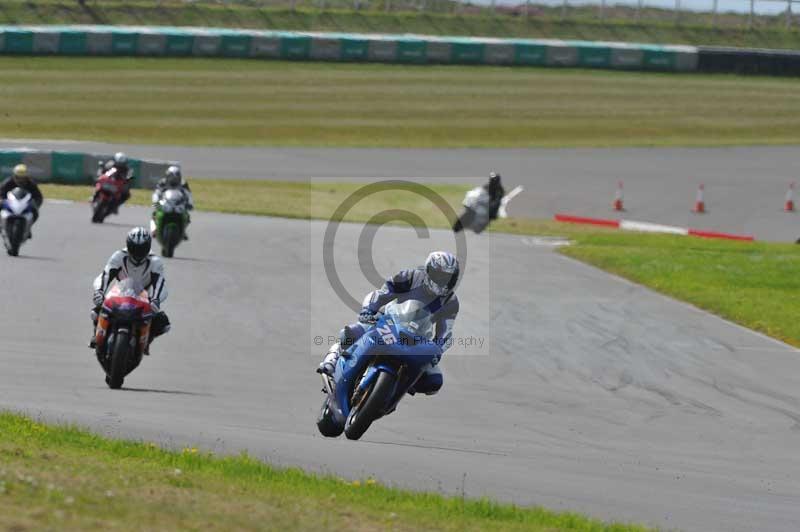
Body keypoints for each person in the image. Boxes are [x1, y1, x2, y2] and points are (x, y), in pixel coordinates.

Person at [318, 251, 460, 396]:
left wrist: (438, 350)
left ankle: (398, 388)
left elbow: (446, 330)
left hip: (417, 339)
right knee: (351, 333)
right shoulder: (410, 277)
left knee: (434, 381)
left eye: (448, 278)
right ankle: (333, 359)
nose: (444, 281)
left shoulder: (451, 302)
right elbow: (383, 292)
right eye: (440, 275)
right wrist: (369, 310)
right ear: (429, 271)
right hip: (388, 322)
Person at [89, 227, 170, 353]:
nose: (138, 252)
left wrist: (155, 300)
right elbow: (105, 275)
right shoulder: (119, 256)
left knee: (163, 324)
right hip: (119, 293)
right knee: (95, 312)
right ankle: (97, 334)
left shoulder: (155, 261)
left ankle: (147, 340)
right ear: (128, 245)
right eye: (135, 248)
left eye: (141, 249)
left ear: (148, 247)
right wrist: (99, 291)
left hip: (144, 296)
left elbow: (159, 282)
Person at [0, 164, 44, 237]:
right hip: (9, 203)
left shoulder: (31, 184)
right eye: (18, 177)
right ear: (14, 176)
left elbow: (38, 196)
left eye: (22, 178)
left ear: (26, 177)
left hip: (25, 204)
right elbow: (1, 191)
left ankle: (28, 228)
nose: (20, 180)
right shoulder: (8, 182)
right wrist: (1, 199)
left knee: (35, 212)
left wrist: (36, 203)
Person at [152, 165, 194, 240]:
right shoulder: (162, 182)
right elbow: (156, 193)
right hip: (165, 201)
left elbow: (188, 194)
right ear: (167, 176)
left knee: (187, 216)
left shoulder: (183, 183)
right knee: (155, 214)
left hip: (179, 202)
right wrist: (155, 202)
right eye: (171, 177)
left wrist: (190, 204)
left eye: (176, 177)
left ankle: (183, 230)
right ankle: (155, 229)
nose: (173, 179)